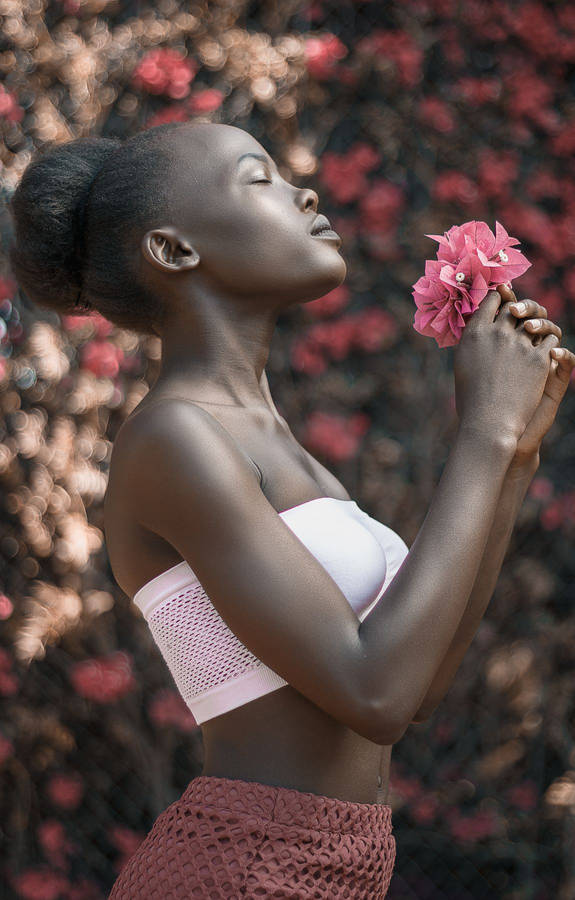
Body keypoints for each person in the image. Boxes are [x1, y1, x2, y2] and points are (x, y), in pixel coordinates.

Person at [8, 121, 569, 898]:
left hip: (339, 866)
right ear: (173, 251)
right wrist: (481, 435)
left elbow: (415, 690)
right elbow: (373, 693)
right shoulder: (174, 436)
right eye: (256, 176)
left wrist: (513, 452)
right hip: (240, 871)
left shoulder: (277, 446)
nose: (301, 188)